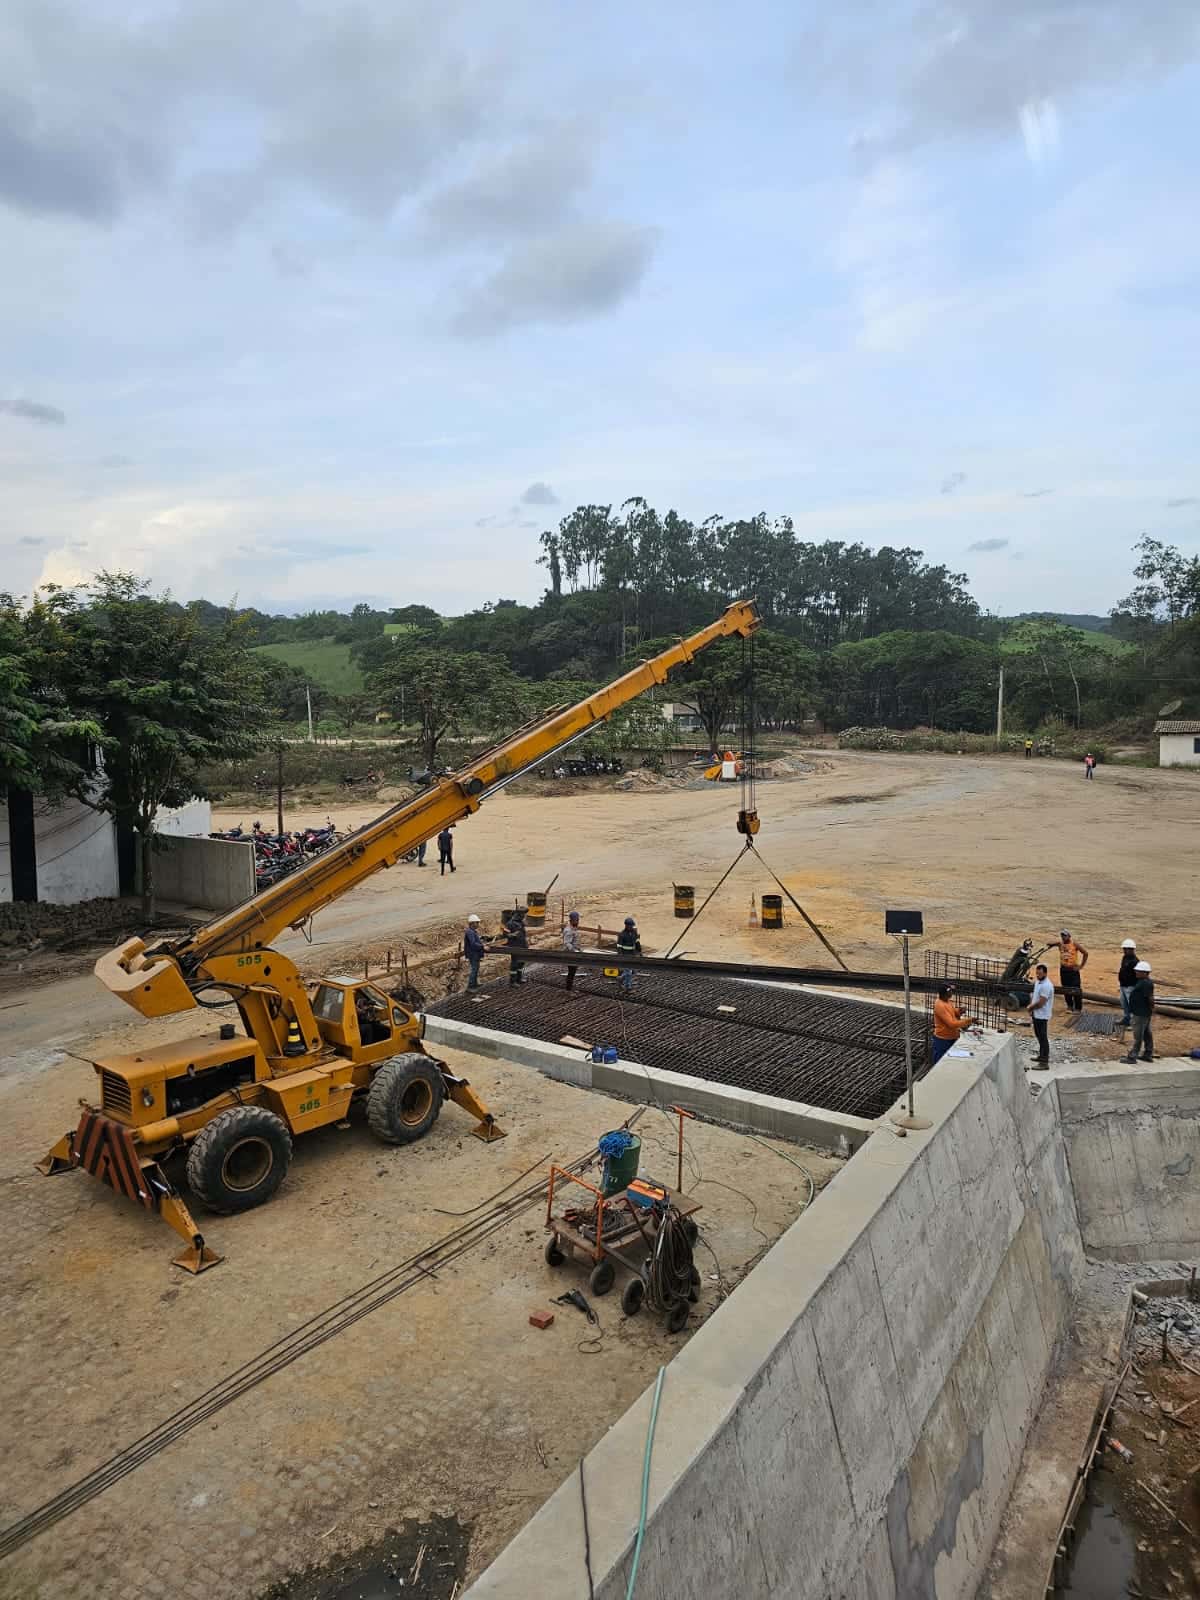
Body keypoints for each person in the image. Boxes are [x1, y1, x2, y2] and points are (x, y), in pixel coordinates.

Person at [930, 984, 977, 1065]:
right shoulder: (940, 1005)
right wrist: (969, 1020)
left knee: (950, 1062)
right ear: (945, 993)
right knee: (940, 1063)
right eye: (950, 991)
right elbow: (952, 1024)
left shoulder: (947, 1001)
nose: (952, 992)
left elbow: (954, 1013)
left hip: (951, 1037)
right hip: (943, 1040)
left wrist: (959, 1011)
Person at [1123, 962, 1155, 1064]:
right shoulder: (1142, 981)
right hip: (1143, 1012)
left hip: (1141, 1014)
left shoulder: (1146, 983)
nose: (1136, 972)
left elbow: (1150, 998)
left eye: (1138, 971)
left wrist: (1151, 1008)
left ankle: (1132, 1057)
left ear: (1145, 973)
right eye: (1136, 970)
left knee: (1138, 1036)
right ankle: (1148, 1054)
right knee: (1146, 1034)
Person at [1028, 963, 1054, 1068]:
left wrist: (1030, 1008)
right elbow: (1035, 997)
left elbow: (1041, 1003)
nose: (1038, 975)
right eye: (1037, 973)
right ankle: (1041, 1056)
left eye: (1040, 974)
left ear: (1045, 973)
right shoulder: (1038, 982)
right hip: (1037, 1014)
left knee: (1043, 1037)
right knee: (1039, 1036)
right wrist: (1032, 1009)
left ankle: (1044, 1062)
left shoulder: (1046, 986)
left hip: (1042, 1015)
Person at [1055, 929, 1087, 1013]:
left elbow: (1085, 953)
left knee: (1076, 988)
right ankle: (1069, 1006)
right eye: (1062, 936)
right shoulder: (1060, 944)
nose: (1063, 937)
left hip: (1073, 970)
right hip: (1063, 969)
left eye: (1065, 935)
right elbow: (1049, 942)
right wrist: (1057, 943)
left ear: (1069, 936)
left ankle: (1078, 1008)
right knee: (1065, 988)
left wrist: (1081, 966)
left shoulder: (1074, 944)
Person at [616, 915, 641, 994]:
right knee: (628, 972)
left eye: (632, 926)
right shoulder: (622, 934)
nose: (631, 927)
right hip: (625, 955)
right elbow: (619, 947)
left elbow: (637, 942)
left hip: (632, 955)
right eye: (630, 926)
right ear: (626, 925)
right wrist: (621, 956)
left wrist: (640, 951)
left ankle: (621, 978)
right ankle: (628, 988)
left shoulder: (634, 932)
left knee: (632, 971)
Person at [503, 907, 528, 985]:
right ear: (519, 914)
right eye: (523, 914)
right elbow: (505, 934)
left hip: (522, 945)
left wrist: (526, 944)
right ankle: (512, 981)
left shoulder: (521, 923)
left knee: (521, 962)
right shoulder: (510, 923)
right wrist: (512, 935)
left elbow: (523, 934)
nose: (524, 916)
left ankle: (519, 978)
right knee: (515, 963)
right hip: (514, 946)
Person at [1117, 939, 1139, 1028]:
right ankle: (1126, 1019)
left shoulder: (1135, 961)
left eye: (1126, 949)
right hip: (1123, 985)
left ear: (1132, 949)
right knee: (1124, 1003)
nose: (1125, 951)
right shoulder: (1125, 957)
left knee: (1132, 1005)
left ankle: (1133, 1023)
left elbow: (1138, 975)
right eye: (1124, 949)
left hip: (1131, 986)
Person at [463, 914, 488, 989]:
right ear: (472, 923)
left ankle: (475, 983)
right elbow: (473, 944)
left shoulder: (472, 931)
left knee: (476, 968)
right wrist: (483, 946)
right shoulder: (470, 932)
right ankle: (470, 987)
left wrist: (481, 940)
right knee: (474, 969)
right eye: (477, 922)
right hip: (473, 954)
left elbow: (475, 941)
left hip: (475, 953)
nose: (478, 924)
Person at [562, 909, 583, 990]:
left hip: (574, 953)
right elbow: (567, 943)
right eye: (577, 920)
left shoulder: (574, 928)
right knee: (572, 971)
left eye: (578, 920)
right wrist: (575, 951)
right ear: (573, 920)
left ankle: (569, 987)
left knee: (572, 971)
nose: (578, 921)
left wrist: (579, 949)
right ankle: (568, 988)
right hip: (571, 954)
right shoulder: (569, 930)